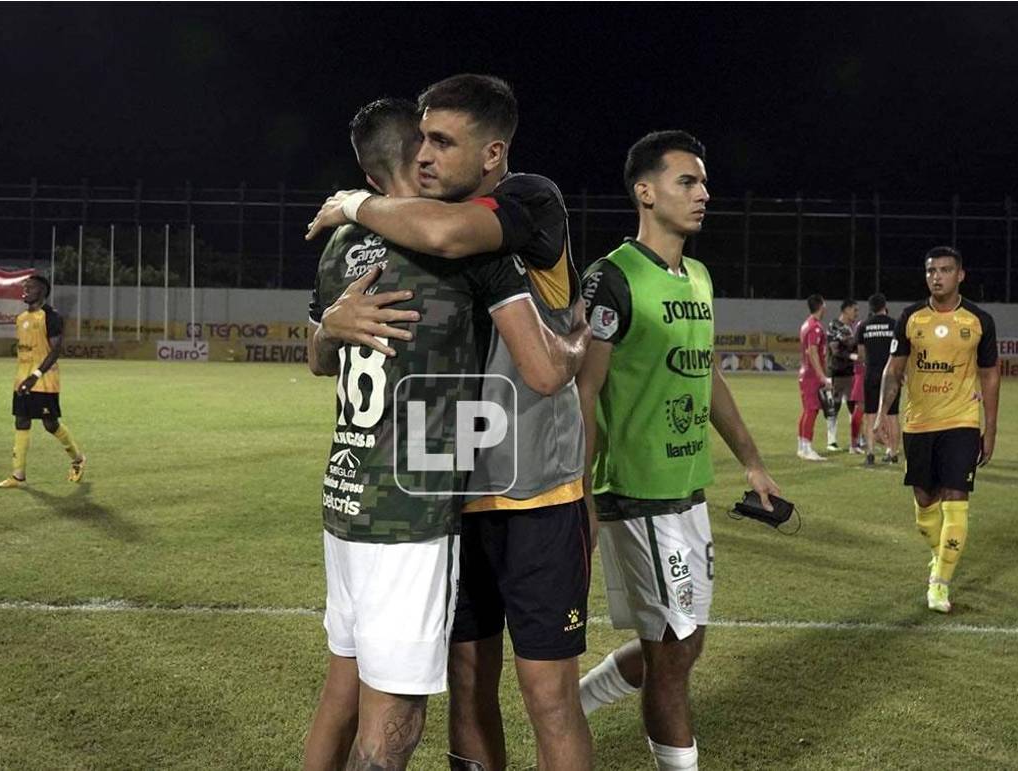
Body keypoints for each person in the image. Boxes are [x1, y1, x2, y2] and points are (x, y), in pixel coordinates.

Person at [306, 77, 593, 771]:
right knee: (466, 686)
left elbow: (445, 233)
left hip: (535, 493)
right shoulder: (407, 234)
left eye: (442, 142)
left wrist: (354, 201)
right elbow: (325, 342)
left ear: (493, 153)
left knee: (547, 693)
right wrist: (330, 325)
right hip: (448, 495)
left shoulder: (527, 202)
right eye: (421, 141)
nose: (426, 154)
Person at [575, 131, 781, 771]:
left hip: (685, 487)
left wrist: (750, 459)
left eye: (703, 182)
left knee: (683, 647)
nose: (703, 194)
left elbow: (707, 373)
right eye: (687, 182)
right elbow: (586, 390)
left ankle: (564, 706)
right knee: (672, 655)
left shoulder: (698, 276)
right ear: (645, 191)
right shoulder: (611, 277)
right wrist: (576, 494)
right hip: (636, 491)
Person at [874, 246, 1000, 613]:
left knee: (956, 500)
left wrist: (989, 429)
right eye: (931, 271)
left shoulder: (979, 320)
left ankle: (939, 584)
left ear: (960, 275)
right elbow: (894, 370)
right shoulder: (911, 317)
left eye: (945, 270)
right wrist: (883, 414)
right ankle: (940, 555)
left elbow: (990, 377)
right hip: (919, 423)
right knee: (925, 505)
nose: (937, 277)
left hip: (961, 421)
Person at [0, 274, 85, 488]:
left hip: (45, 379)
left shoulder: (51, 317)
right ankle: (18, 476)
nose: (25, 291)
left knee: (50, 424)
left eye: (30, 288)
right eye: (24, 287)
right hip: (22, 378)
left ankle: (78, 459)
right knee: (21, 420)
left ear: (42, 291)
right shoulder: (21, 318)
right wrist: (24, 377)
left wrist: (35, 376)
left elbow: (55, 351)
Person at [857, 293, 900, 466]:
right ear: (884, 306)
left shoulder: (863, 326)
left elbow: (861, 355)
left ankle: (870, 452)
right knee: (892, 415)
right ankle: (893, 452)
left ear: (870, 308)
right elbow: (900, 352)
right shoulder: (895, 325)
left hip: (872, 374)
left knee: (870, 414)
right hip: (891, 374)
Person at [796, 294, 832, 461]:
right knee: (812, 410)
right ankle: (807, 447)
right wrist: (822, 376)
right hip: (811, 376)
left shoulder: (806, 324)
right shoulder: (815, 327)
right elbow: (812, 352)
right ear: (821, 306)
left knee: (807, 411)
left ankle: (802, 446)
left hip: (806, 374)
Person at [826, 299, 862, 452]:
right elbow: (835, 350)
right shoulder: (834, 326)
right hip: (838, 372)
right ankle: (831, 440)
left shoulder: (851, 328)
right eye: (854, 310)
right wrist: (852, 357)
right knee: (835, 406)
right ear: (846, 310)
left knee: (853, 407)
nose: (856, 313)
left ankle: (855, 440)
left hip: (851, 372)